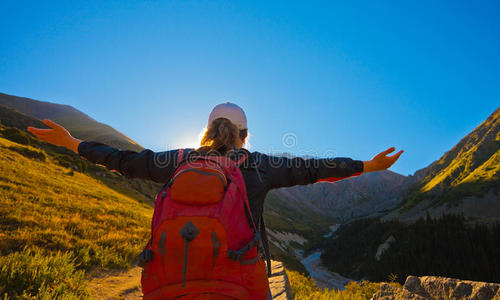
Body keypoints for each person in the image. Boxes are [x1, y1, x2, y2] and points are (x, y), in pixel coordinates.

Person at [27, 102, 403, 299]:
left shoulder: (175, 160)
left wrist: (73, 143)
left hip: (170, 280)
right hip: (242, 281)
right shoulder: (258, 164)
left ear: (206, 130)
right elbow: (311, 168)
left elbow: (122, 161)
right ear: (245, 134)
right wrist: (366, 166)